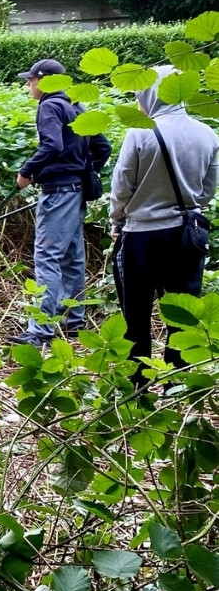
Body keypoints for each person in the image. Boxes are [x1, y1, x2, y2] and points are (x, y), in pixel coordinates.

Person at [110, 66, 219, 381]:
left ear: (150, 92)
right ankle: (178, 385)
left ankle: (138, 386)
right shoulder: (208, 134)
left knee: (136, 315)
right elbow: (207, 190)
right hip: (186, 237)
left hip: (141, 237)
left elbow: (121, 186)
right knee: (182, 315)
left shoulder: (140, 132)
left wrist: (117, 219)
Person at [11, 58, 113, 347]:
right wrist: (83, 170)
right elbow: (103, 146)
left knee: (48, 257)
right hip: (75, 192)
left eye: (30, 79)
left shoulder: (49, 106)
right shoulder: (76, 106)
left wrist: (27, 171)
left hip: (57, 193)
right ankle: (73, 321)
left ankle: (41, 330)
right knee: (71, 257)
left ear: (43, 81)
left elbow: (52, 145)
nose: (28, 84)